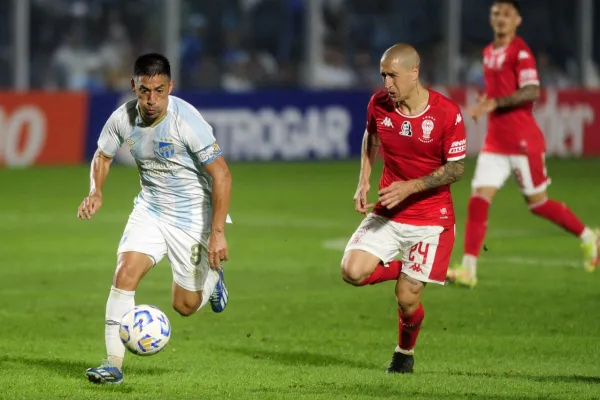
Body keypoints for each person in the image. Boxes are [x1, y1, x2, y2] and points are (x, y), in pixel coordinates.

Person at [77, 53, 232, 384]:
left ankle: (213, 282)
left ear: (171, 87)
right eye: (145, 90)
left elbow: (222, 176)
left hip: (193, 218)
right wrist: (96, 191)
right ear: (134, 86)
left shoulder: (187, 121)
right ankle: (113, 365)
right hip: (150, 208)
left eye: (160, 91)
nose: (151, 100)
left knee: (185, 305)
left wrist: (217, 232)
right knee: (124, 273)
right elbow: (103, 155)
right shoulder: (122, 117)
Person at [446, 0, 599, 288]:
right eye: (496, 14)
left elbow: (531, 91)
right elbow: (498, 92)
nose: (501, 18)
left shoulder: (521, 52)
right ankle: (468, 269)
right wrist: (487, 103)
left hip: (523, 142)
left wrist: (495, 103)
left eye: (507, 14)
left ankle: (590, 237)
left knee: (537, 203)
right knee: (478, 198)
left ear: (518, 19)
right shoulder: (488, 52)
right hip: (496, 142)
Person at [341, 43, 467, 373]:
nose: (387, 84)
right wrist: (364, 179)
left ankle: (404, 354)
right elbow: (371, 136)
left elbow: (456, 168)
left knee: (407, 298)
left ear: (414, 73)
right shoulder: (380, 104)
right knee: (351, 271)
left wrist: (411, 186)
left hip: (431, 220)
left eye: (393, 76)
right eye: (383, 75)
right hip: (389, 211)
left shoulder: (446, 113)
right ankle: (407, 267)